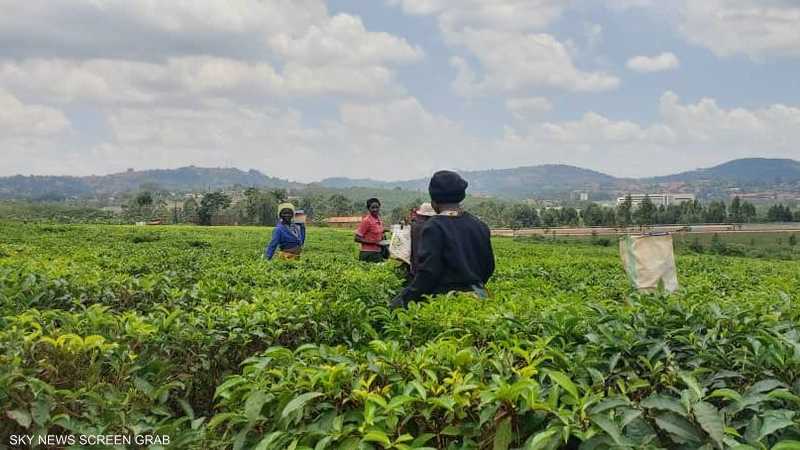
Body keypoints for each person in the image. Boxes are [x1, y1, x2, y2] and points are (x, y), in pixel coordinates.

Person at [390, 171, 494, 308]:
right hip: (480, 297)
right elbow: (489, 267)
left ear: (433, 202)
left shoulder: (434, 227)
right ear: (461, 196)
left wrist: (402, 299)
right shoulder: (479, 225)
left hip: (447, 301)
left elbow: (428, 274)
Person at [355, 198, 387, 262]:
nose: (375, 209)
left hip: (378, 252)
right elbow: (357, 238)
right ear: (368, 209)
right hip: (368, 253)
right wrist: (373, 242)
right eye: (372, 207)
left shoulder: (379, 220)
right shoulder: (366, 221)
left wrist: (383, 235)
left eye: (377, 207)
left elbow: (377, 232)